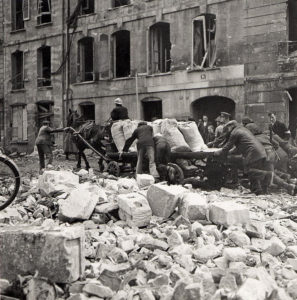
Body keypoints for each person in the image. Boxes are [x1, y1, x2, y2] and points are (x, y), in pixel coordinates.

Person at [214, 120, 273, 195]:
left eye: (227, 128)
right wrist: (229, 152)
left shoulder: (235, 132)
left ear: (231, 126)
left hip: (253, 152)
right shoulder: (243, 130)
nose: (227, 131)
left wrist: (219, 152)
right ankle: (257, 190)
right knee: (253, 172)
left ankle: (266, 175)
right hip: (260, 151)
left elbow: (228, 146)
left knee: (250, 170)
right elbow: (238, 147)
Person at [246, 123, 296, 195]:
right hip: (273, 156)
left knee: (264, 174)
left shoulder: (253, 138)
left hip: (265, 157)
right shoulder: (265, 136)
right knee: (271, 174)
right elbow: (276, 145)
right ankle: (287, 183)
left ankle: (287, 186)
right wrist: (271, 150)